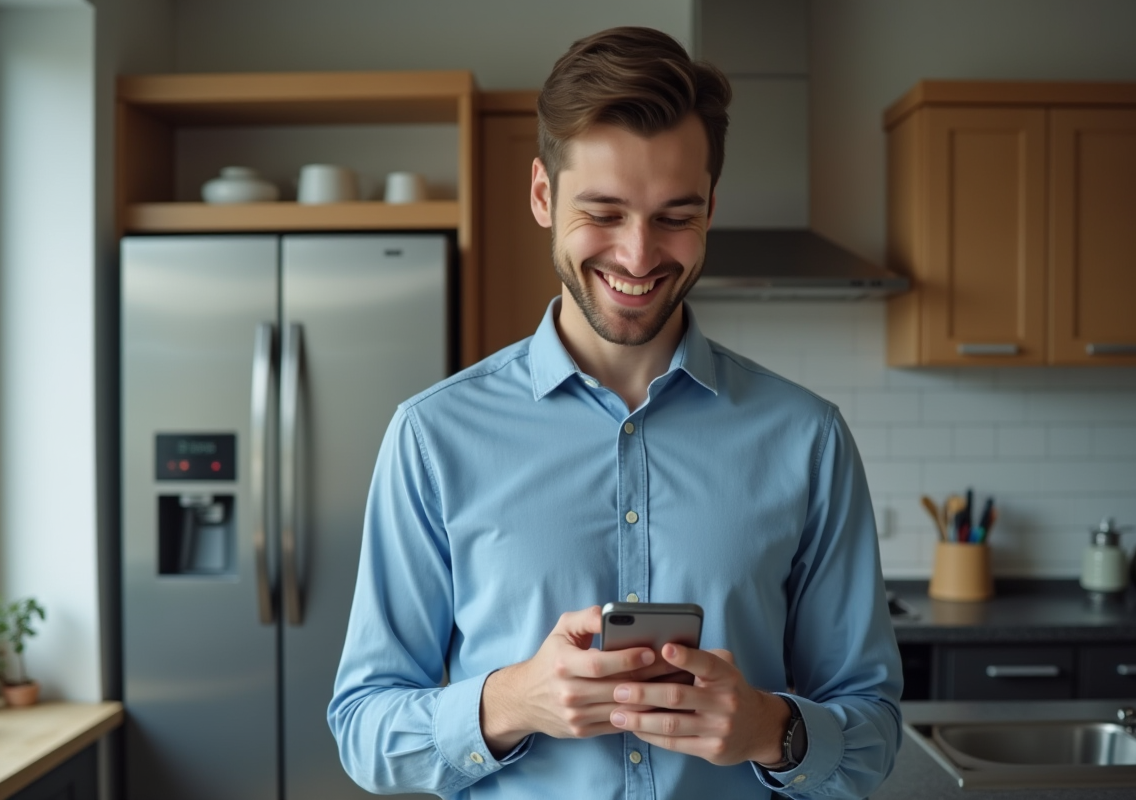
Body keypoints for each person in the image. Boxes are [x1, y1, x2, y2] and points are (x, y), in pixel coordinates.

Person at [329, 26, 902, 800]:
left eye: (675, 215)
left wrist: (771, 728)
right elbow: (363, 727)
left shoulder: (808, 440)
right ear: (543, 195)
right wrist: (511, 703)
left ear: (711, 209)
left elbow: (871, 734)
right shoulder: (432, 438)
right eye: (603, 211)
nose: (638, 256)